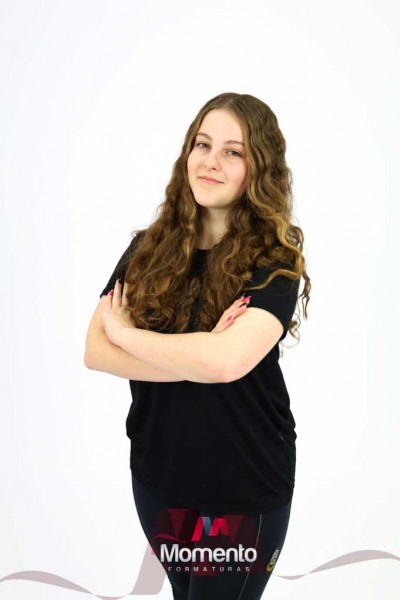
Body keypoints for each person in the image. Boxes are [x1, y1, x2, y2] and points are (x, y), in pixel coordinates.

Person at [84, 92, 311, 600]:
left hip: (241, 487)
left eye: (233, 151)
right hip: (159, 478)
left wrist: (129, 337)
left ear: (259, 168)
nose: (210, 161)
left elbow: (227, 363)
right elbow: (95, 350)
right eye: (203, 144)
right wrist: (200, 353)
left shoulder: (274, 262)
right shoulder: (148, 248)